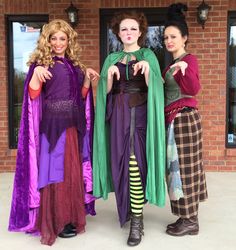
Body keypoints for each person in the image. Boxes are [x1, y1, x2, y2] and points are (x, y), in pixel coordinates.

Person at [8, 19, 99, 245]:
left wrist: (87, 79)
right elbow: (32, 97)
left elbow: (81, 96)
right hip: (52, 127)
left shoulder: (74, 65)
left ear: (69, 41)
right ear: (47, 40)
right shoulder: (40, 64)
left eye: (62, 38)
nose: (58, 42)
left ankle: (68, 218)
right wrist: (36, 75)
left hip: (73, 126)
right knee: (54, 173)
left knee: (71, 174)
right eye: (54, 38)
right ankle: (55, 220)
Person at [92, 10, 166, 246]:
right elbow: (103, 95)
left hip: (140, 115)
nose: (128, 32)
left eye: (133, 28)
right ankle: (130, 210)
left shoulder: (149, 55)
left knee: (135, 162)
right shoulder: (111, 59)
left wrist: (147, 71)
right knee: (121, 164)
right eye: (124, 29)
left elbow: (156, 89)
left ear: (141, 32)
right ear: (118, 33)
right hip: (118, 116)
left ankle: (137, 221)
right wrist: (110, 78)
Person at [162, 3, 208, 237]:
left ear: (184, 38)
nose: (169, 41)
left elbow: (193, 89)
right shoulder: (171, 63)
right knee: (177, 170)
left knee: (186, 170)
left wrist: (183, 69)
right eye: (166, 37)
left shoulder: (189, 60)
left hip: (185, 120)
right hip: (175, 121)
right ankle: (186, 217)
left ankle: (190, 220)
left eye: (173, 36)